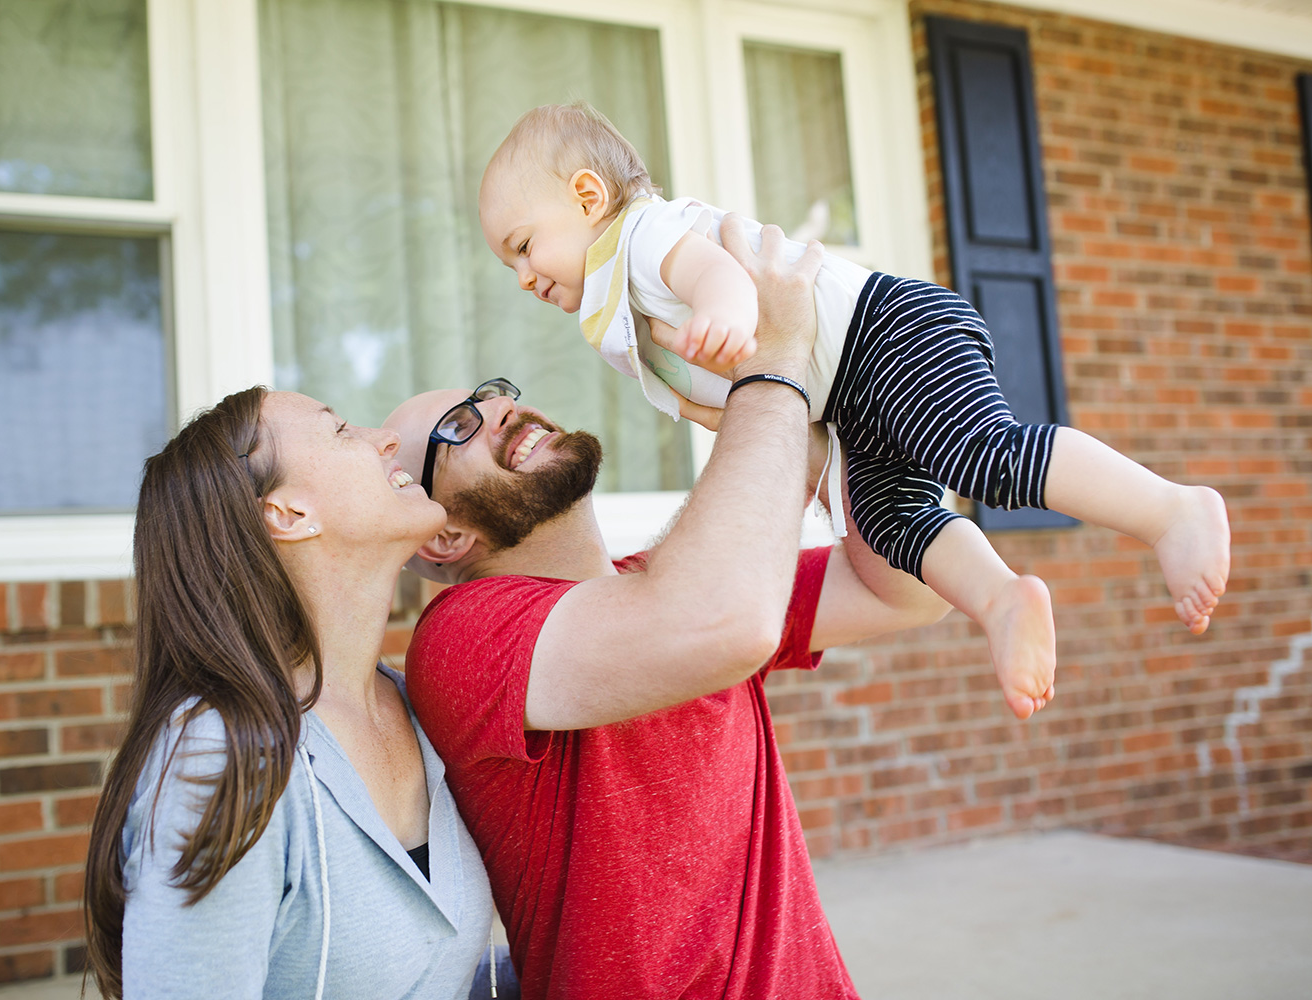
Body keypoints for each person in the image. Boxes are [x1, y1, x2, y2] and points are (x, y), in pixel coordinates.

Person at [476, 100, 1231, 720]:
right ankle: (1000, 598)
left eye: (522, 245)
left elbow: (716, 274)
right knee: (889, 524)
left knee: (979, 453)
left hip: (886, 330)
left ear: (586, 197)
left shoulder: (638, 237)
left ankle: (1171, 509)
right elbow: (728, 409)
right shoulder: (617, 314)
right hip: (844, 400)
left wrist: (728, 313)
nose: (520, 276)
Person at [382, 220, 951, 999]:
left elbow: (908, 588)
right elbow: (721, 619)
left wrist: (831, 427)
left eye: (491, 396)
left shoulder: (670, 580)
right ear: (444, 535)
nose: (498, 413)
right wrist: (774, 371)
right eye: (456, 430)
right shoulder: (463, 636)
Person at [81, 387, 509, 999]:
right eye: (339, 432)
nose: (385, 439)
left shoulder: (419, 706)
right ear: (286, 515)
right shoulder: (222, 755)